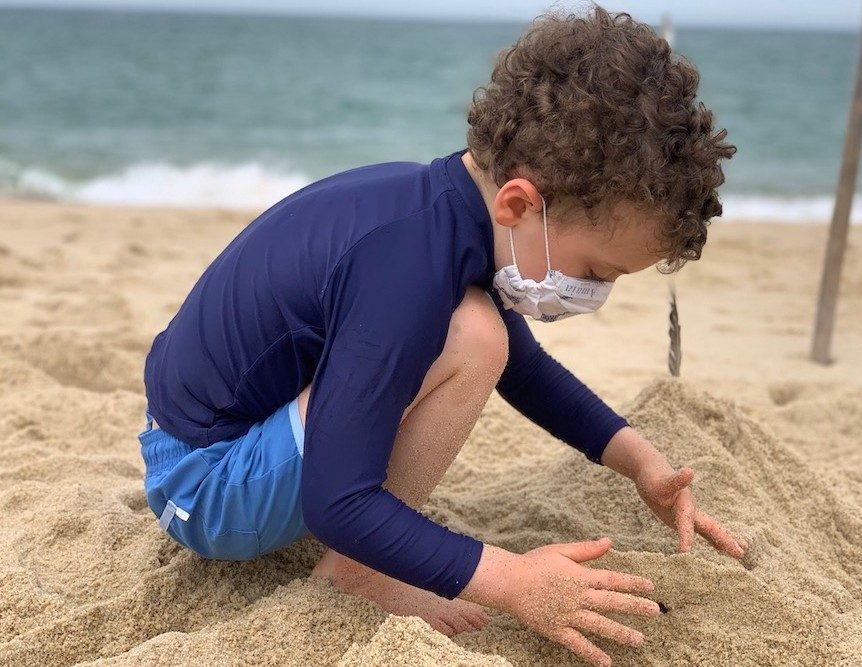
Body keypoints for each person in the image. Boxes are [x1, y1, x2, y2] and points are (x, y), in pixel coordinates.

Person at [137, 5, 742, 666]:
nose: (596, 291)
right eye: (595, 270)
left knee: (486, 334)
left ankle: (364, 562)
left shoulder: (443, 217)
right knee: (477, 336)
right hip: (203, 485)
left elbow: (528, 372)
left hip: (213, 441)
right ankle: (356, 576)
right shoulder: (409, 267)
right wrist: (515, 581)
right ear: (519, 204)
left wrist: (639, 461)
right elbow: (337, 502)